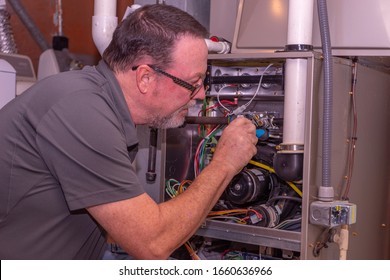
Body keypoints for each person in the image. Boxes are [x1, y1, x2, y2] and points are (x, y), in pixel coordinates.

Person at [0, 4, 257, 259]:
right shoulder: (81, 110)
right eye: (193, 83)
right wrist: (224, 162)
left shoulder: (101, 103)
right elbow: (152, 244)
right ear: (145, 77)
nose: (200, 95)